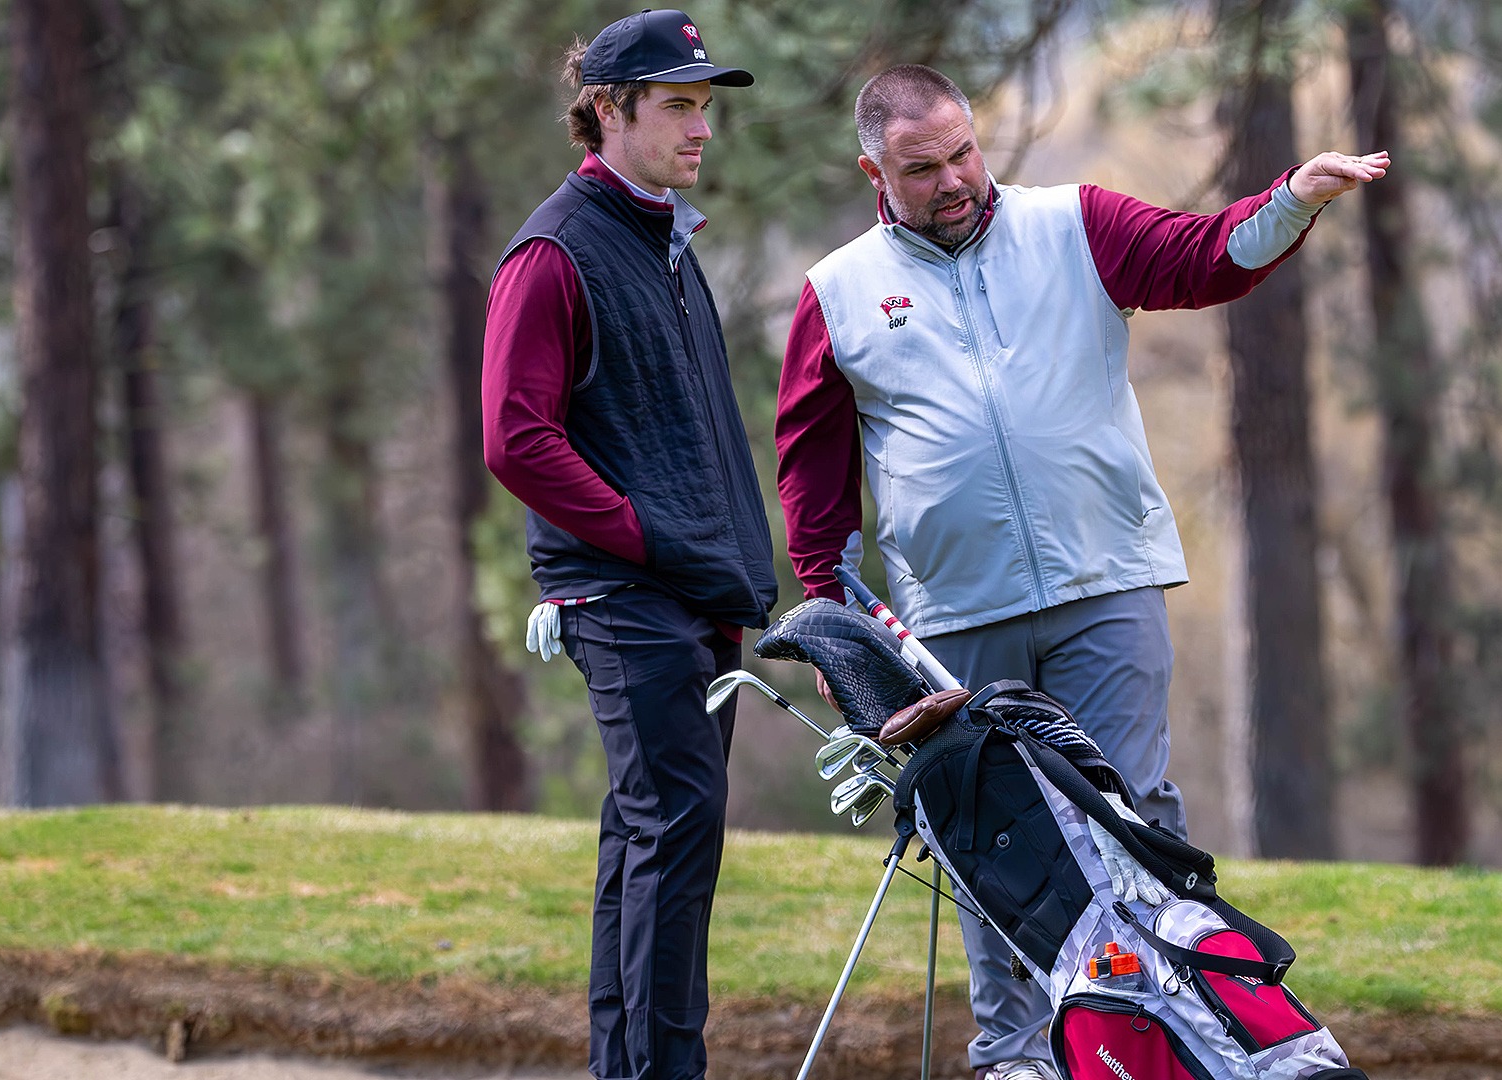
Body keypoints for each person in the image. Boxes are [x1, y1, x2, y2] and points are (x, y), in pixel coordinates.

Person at [774, 64, 1385, 1080]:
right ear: (874, 169)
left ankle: (1184, 1032)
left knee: (1132, 815)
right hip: (951, 619)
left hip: (1106, 583)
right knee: (991, 840)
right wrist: (846, 632)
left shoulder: (1074, 225)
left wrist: (1295, 199)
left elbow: (1208, 258)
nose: (955, 180)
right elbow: (814, 480)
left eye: (964, 152)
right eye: (922, 168)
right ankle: (1019, 1057)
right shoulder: (836, 292)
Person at [480, 12, 775, 1080]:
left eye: (707, 106)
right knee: (675, 836)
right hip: (624, 596)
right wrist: (643, 537)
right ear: (608, 109)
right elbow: (516, 440)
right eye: (679, 105)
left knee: (649, 837)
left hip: (694, 596)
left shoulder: (664, 238)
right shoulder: (554, 253)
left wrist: (733, 572)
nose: (703, 128)